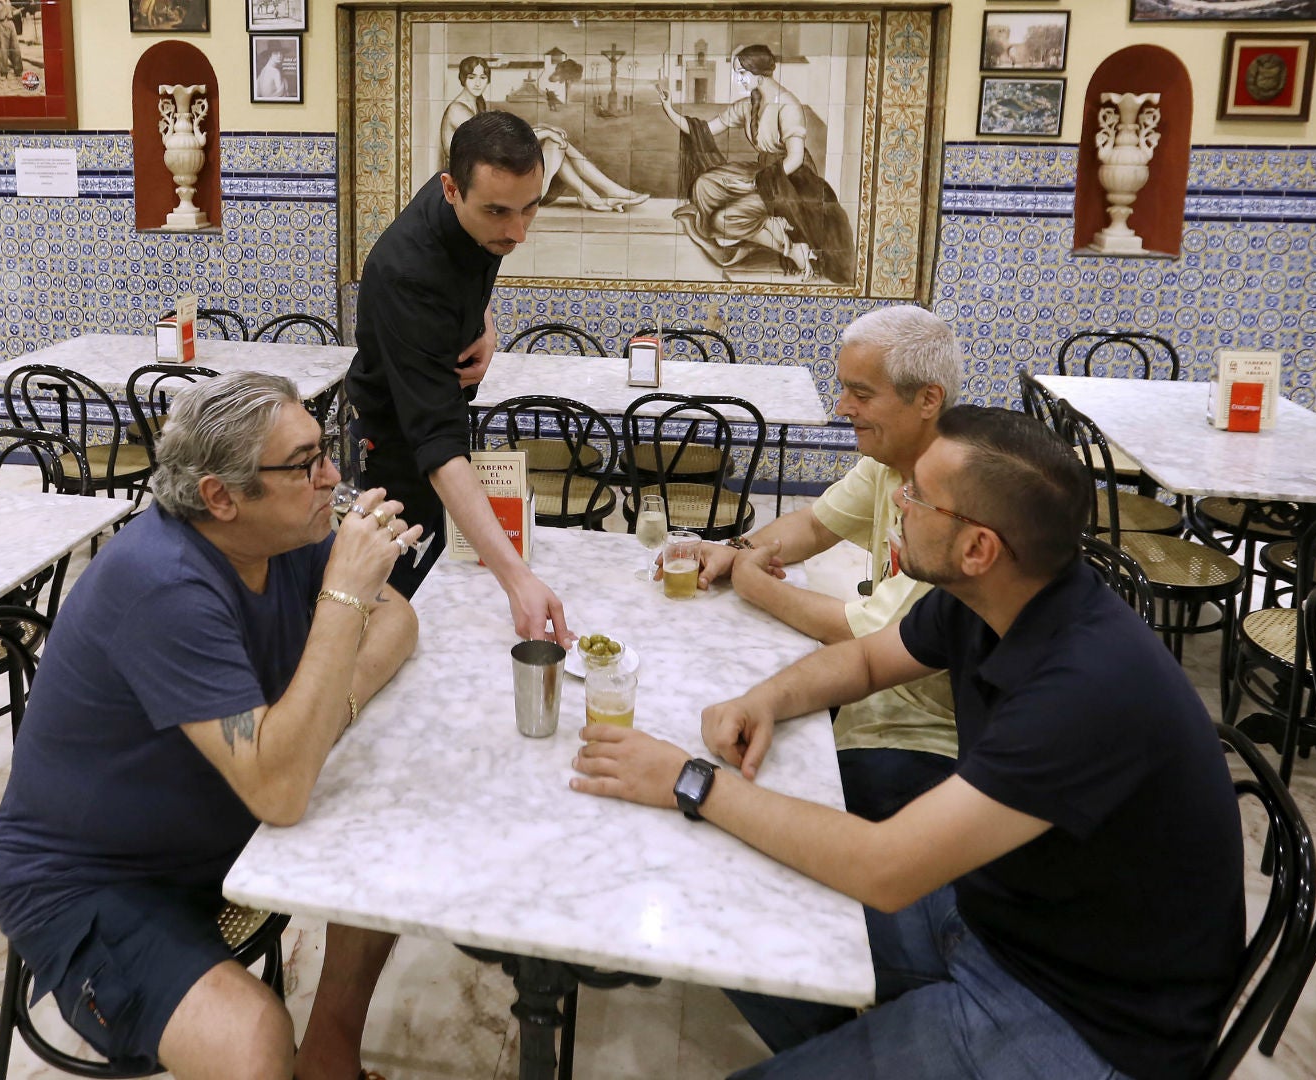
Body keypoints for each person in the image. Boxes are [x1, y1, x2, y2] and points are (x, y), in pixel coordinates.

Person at [574, 406, 1245, 1080]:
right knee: (732, 905)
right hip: (1000, 915)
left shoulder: (1087, 688)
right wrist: (764, 699)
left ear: (978, 547)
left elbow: (884, 868)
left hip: (1085, 1017)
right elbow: (866, 662)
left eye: (919, 495)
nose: (900, 498)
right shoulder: (995, 595)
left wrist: (691, 781)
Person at [0, 374, 422, 1080]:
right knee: (254, 1039)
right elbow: (279, 793)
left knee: (389, 844)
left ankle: (330, 1059)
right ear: (220, 495)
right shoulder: (163, 584)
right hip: (89, 880)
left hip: (214, 832)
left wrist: (332, 707)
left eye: (327, 451)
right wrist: (343, 598)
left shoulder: (282, 533)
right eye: (306, 462)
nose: (332, 477)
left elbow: (398, 619)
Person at [684, 306, 961, 821]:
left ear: (928, 399)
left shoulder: (955, 504)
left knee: (738, 789)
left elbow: (864, 639)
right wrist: (738, 551)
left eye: (861, 393)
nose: (842, 407)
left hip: (923, 737)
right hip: (860, 694)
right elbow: (814, 525)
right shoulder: (887, 464)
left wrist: (754, 583)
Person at [348, 109, 573, 643]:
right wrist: (517, 580)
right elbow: (436, 443)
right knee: (399, 615)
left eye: (530, 208)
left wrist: (483, 323)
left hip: (437, 419)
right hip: (393, 450)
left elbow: (470, 271)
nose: (517, 232)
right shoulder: (408, 274)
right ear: (450, 190)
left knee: (448, 587)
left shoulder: (480, 207)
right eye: (498, 212)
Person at [656, 44, 855, 284]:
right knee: (704, 185)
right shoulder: (749, 105)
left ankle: (791, 248)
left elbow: (795, 159)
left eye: (741, 73)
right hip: (763, 171)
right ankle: (769, 224)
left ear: (759, 75)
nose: (737, 79)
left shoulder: (788, 106)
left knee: (724, 219)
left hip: (789, 180)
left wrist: (757, 183)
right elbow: (705, 130)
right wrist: (669, 109)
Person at [437, 56, 648, 214]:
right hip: (478, 186)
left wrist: (546, 128)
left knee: (558, 144)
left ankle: (598, 196)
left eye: (483, 77)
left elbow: (504, 134)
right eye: (472, 77)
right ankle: (604, 193)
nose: (477, 82)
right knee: (555, 143)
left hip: (491, 176)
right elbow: (499, 144)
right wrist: (545, 131)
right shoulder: (458, 110)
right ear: (462, 79)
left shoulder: (476, 105)